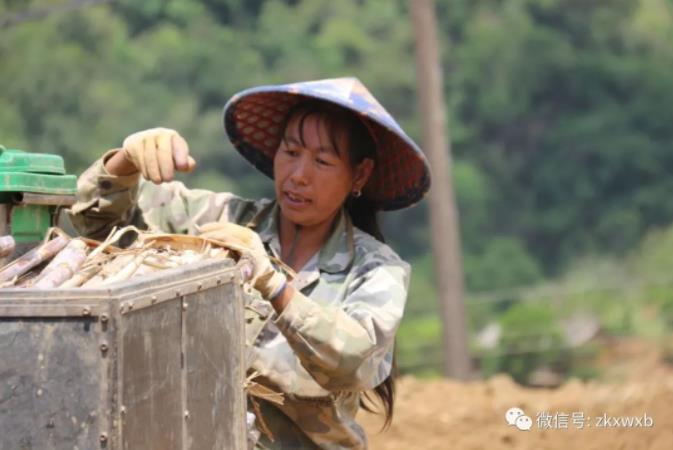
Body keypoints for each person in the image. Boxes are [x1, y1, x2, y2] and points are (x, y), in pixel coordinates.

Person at [68, 77, 431, 449]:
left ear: (359, 174)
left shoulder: (376, 270)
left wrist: (272, 284)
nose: (299, 175)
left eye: (322, 161)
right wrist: (126, 161)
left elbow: (353, 361)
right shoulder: (224, 220)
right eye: (290, 153)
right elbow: (100, 224)